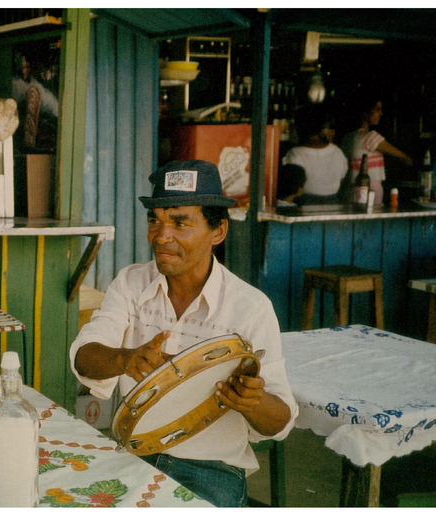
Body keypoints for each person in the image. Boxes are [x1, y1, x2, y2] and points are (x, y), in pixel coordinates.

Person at [69, 160, 297, 507]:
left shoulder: (250, 307)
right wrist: (124, 358)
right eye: (154, 221)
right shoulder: (131, 284)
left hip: (212, 470)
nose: (161, 236)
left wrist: (252, 401)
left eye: (180, 223)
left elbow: (279, 420)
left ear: (218, 231)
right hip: (135, 457)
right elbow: (85, 356)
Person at [340, 92, 413, 205]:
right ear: (365, 113)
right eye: (377, 109)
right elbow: (402, 156)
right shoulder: (370, 137)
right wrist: (409, 160)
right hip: (369, 191)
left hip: (349, 191)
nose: (381, 113)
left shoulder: (347, 138)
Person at [281, 106, 347, 204]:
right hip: (319, 203)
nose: (332, 132)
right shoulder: (296, 154)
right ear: (313, 130)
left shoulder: (337, 152)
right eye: (328, 128)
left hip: (313, 204)